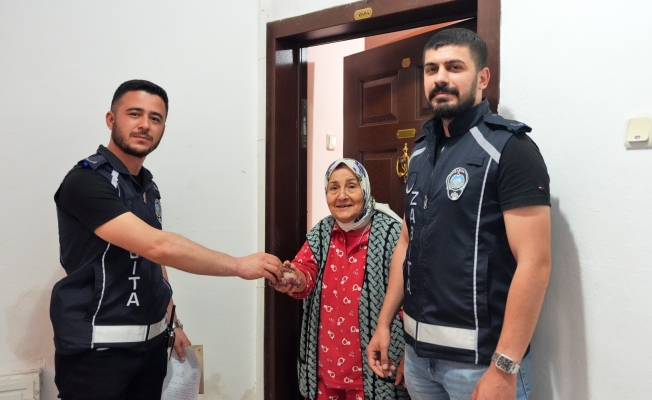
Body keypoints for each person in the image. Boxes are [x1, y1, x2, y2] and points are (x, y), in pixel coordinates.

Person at [51, 79, 283, 400]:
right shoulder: (87, 180)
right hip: (98, 352)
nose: (145, 125)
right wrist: (238, 265)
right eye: (135, 114)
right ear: (111, 119)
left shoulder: (147, 186)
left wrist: (172, 323)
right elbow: (157, 245)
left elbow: (154, 260)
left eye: (155, 118)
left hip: (151, 347)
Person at [365, 28, 551, 400]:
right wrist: (384, 323)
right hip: (419, 360)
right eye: (431, 69)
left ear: (482, 77)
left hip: (482, 366)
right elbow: (407, 243)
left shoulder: (510, 148)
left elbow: (535, 263)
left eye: (454, 67)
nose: (440, 78)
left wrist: (504, 366)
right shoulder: (419, 153)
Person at [273, 159, 409, 400]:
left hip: (378, 367)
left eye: (351, 186)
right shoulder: (321, 231)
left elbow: (411, 296)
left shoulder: (392, 233)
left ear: (365, 189)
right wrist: (288, 277)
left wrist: (412, 355)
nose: (342, 196)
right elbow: (305, 273)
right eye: (333, 188)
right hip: (326, 368)